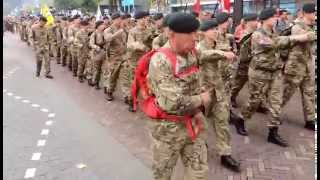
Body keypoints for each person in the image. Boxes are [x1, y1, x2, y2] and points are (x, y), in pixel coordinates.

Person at [232, 8, 313, 146]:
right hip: (259, 73)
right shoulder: (257, 35)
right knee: (254, 101)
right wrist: (300, 37)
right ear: (264, 19)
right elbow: (275, 43)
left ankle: (273, 132)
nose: (275, 19)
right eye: (272, 17)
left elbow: (280, 44)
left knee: (275, 102)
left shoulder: (273, 32)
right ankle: (241, 119)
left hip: (274, 72)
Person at [144, 12, 211, 180]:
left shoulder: (191, 54)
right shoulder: (161, 60)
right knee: (163, 174)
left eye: (196, 33)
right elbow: (171, 103)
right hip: (167, 130)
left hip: (192, 123)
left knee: (199, 173)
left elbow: (196, 82)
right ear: (172, 34)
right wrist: (201, 99)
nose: (195, 38)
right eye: (190, 33)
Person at [197, 19, 241, 172]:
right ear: (203, 32)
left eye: (216, 28)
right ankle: (200, 146)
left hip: (220, 92)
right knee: (200, 124)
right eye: (211, 29)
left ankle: (225, 154)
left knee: (222, 123)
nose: (216, 31)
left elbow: (225, 68)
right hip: (204, 94)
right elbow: (205, 55)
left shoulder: (220, 45)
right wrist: (223, 53)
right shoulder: (198, 48)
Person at [282, 3, 317, 131]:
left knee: (309, 93)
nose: (315, 15)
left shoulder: (311, 26)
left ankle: (310, 120)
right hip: (296, 66)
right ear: (307, 13)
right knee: (286, 92)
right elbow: (307, 37)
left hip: (307, 65)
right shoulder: (297, 26)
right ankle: (273, 114)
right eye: (313, 13)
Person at [123, 11, 153, 111]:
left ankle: (150, 103)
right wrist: (140, 46)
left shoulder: (150, 30)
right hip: (135, 62)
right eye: (144, 18)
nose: (146, 20)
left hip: (147, 61)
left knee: (149, 82)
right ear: (139, 19)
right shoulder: (133, 31)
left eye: (147, 18)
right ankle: (131, 101)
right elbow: (130, 45)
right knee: (135, 83)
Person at [103, 13, 127, 100]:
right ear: (114, 20)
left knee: (125, 77)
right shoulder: (108, 30)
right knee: (113, 76)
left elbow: (125, 42)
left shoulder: (123, 29)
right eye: (118, 19)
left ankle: (127, 97)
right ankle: (109, 91)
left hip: (123, 57)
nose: (120, 21)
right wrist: (118, 33)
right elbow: (108, 39)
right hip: (114, 58)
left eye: (120, 19)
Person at [88, 20, 107, 89]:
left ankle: (106, 86)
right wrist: (96, 47)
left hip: (104, 53)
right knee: (97, 70)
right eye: (102, 25)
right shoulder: (94, 34)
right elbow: (91, 44)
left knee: (106, 70)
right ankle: (96, 83)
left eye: (104, 25)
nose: (104, 26)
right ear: (98, 26)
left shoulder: (105, 33)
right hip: (97, 54)